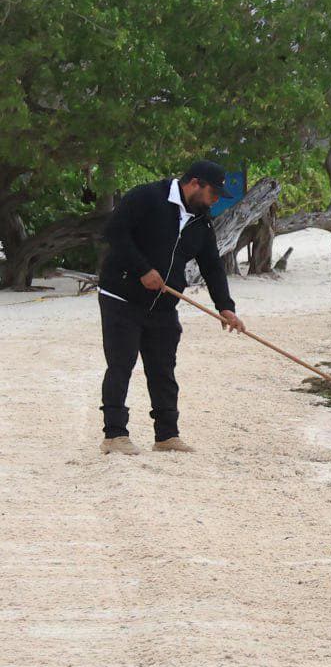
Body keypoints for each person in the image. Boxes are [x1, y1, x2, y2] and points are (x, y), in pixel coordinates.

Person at [98, 160, 246, 455]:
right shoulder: (147, 197)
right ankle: (114, 435)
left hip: (164, 304)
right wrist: (142, 270)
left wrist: (225, 307)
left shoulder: (201, 221)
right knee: (121, 365)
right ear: (195, 183)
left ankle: (166, 436)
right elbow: (114, 232)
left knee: (163, 369)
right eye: (213, 193)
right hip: (121, 296)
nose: (215, 201)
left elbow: (212, 265)